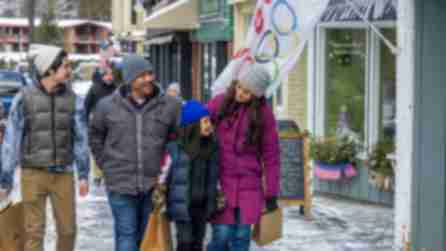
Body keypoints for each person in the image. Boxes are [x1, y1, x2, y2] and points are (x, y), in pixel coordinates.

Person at [0, 45, 90, 251]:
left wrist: (83, 174)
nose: (69, 70)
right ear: (50, 69)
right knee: (34, 232)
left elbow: (81, 138)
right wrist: (5, 181)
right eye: (65, 66)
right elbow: (11, 140)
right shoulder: (24, 98)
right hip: (33, 174)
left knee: (68, 231)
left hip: (63, 174)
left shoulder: (73, 99)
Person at [89, 54, 181, 251]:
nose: (149, 79)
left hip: (154, 185)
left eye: (151, 73)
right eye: (143, 75)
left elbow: (178, 141)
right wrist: (106, 165)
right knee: (127, 236)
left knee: (147, 238)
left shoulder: (170, 106)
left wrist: (167, 175)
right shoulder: (107, 107)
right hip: (120, 184)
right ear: (130, 80)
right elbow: (95, 136)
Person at [206, 63, 281, 251]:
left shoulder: (264, 115)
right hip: (221, 183)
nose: (240, 93)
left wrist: (271, 192)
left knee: (241, 237)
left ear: (257, 95)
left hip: (249, 185)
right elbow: (199, 123)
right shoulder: (219, 102)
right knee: (221, 235)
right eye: (239, 87)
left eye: (247, 92)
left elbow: (271, 155)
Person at [162, 100, 221, 251]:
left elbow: (214, 176)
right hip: (182, 206)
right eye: (205, 121)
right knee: (185, 242)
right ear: (193, 125)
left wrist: (214, 198)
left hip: (201, 206)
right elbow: (164, 176)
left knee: (197, 243)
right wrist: (162, 200)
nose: (209, 125)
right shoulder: (175, 148)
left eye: (210, 121)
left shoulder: (211, 148)